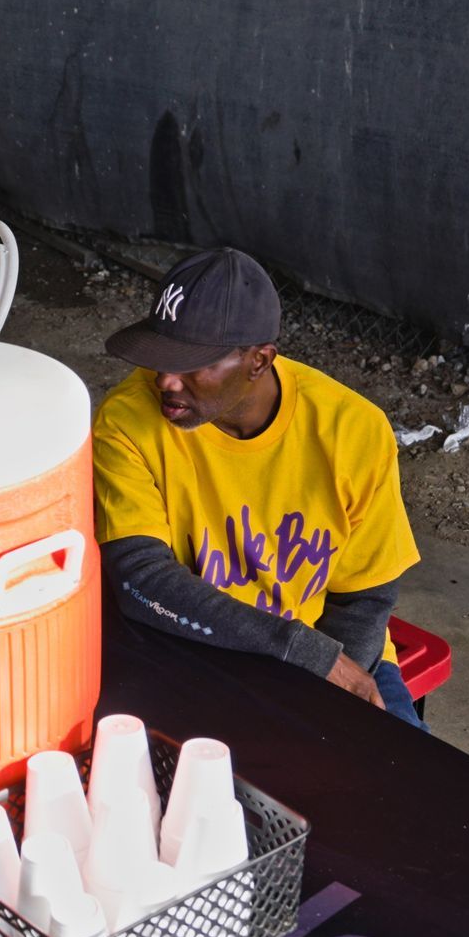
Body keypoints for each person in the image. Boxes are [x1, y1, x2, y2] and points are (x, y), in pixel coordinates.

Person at [90, 247, 427, 728]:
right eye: (161, 357)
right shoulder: (126, 421)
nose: (165, 380)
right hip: (196, 646)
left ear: (259, 359)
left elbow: (365, 599)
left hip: (332, 653)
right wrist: (297, 650)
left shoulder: (352, 431)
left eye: (192, 365)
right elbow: (140, 580)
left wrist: (321, 683)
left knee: (405, 789)